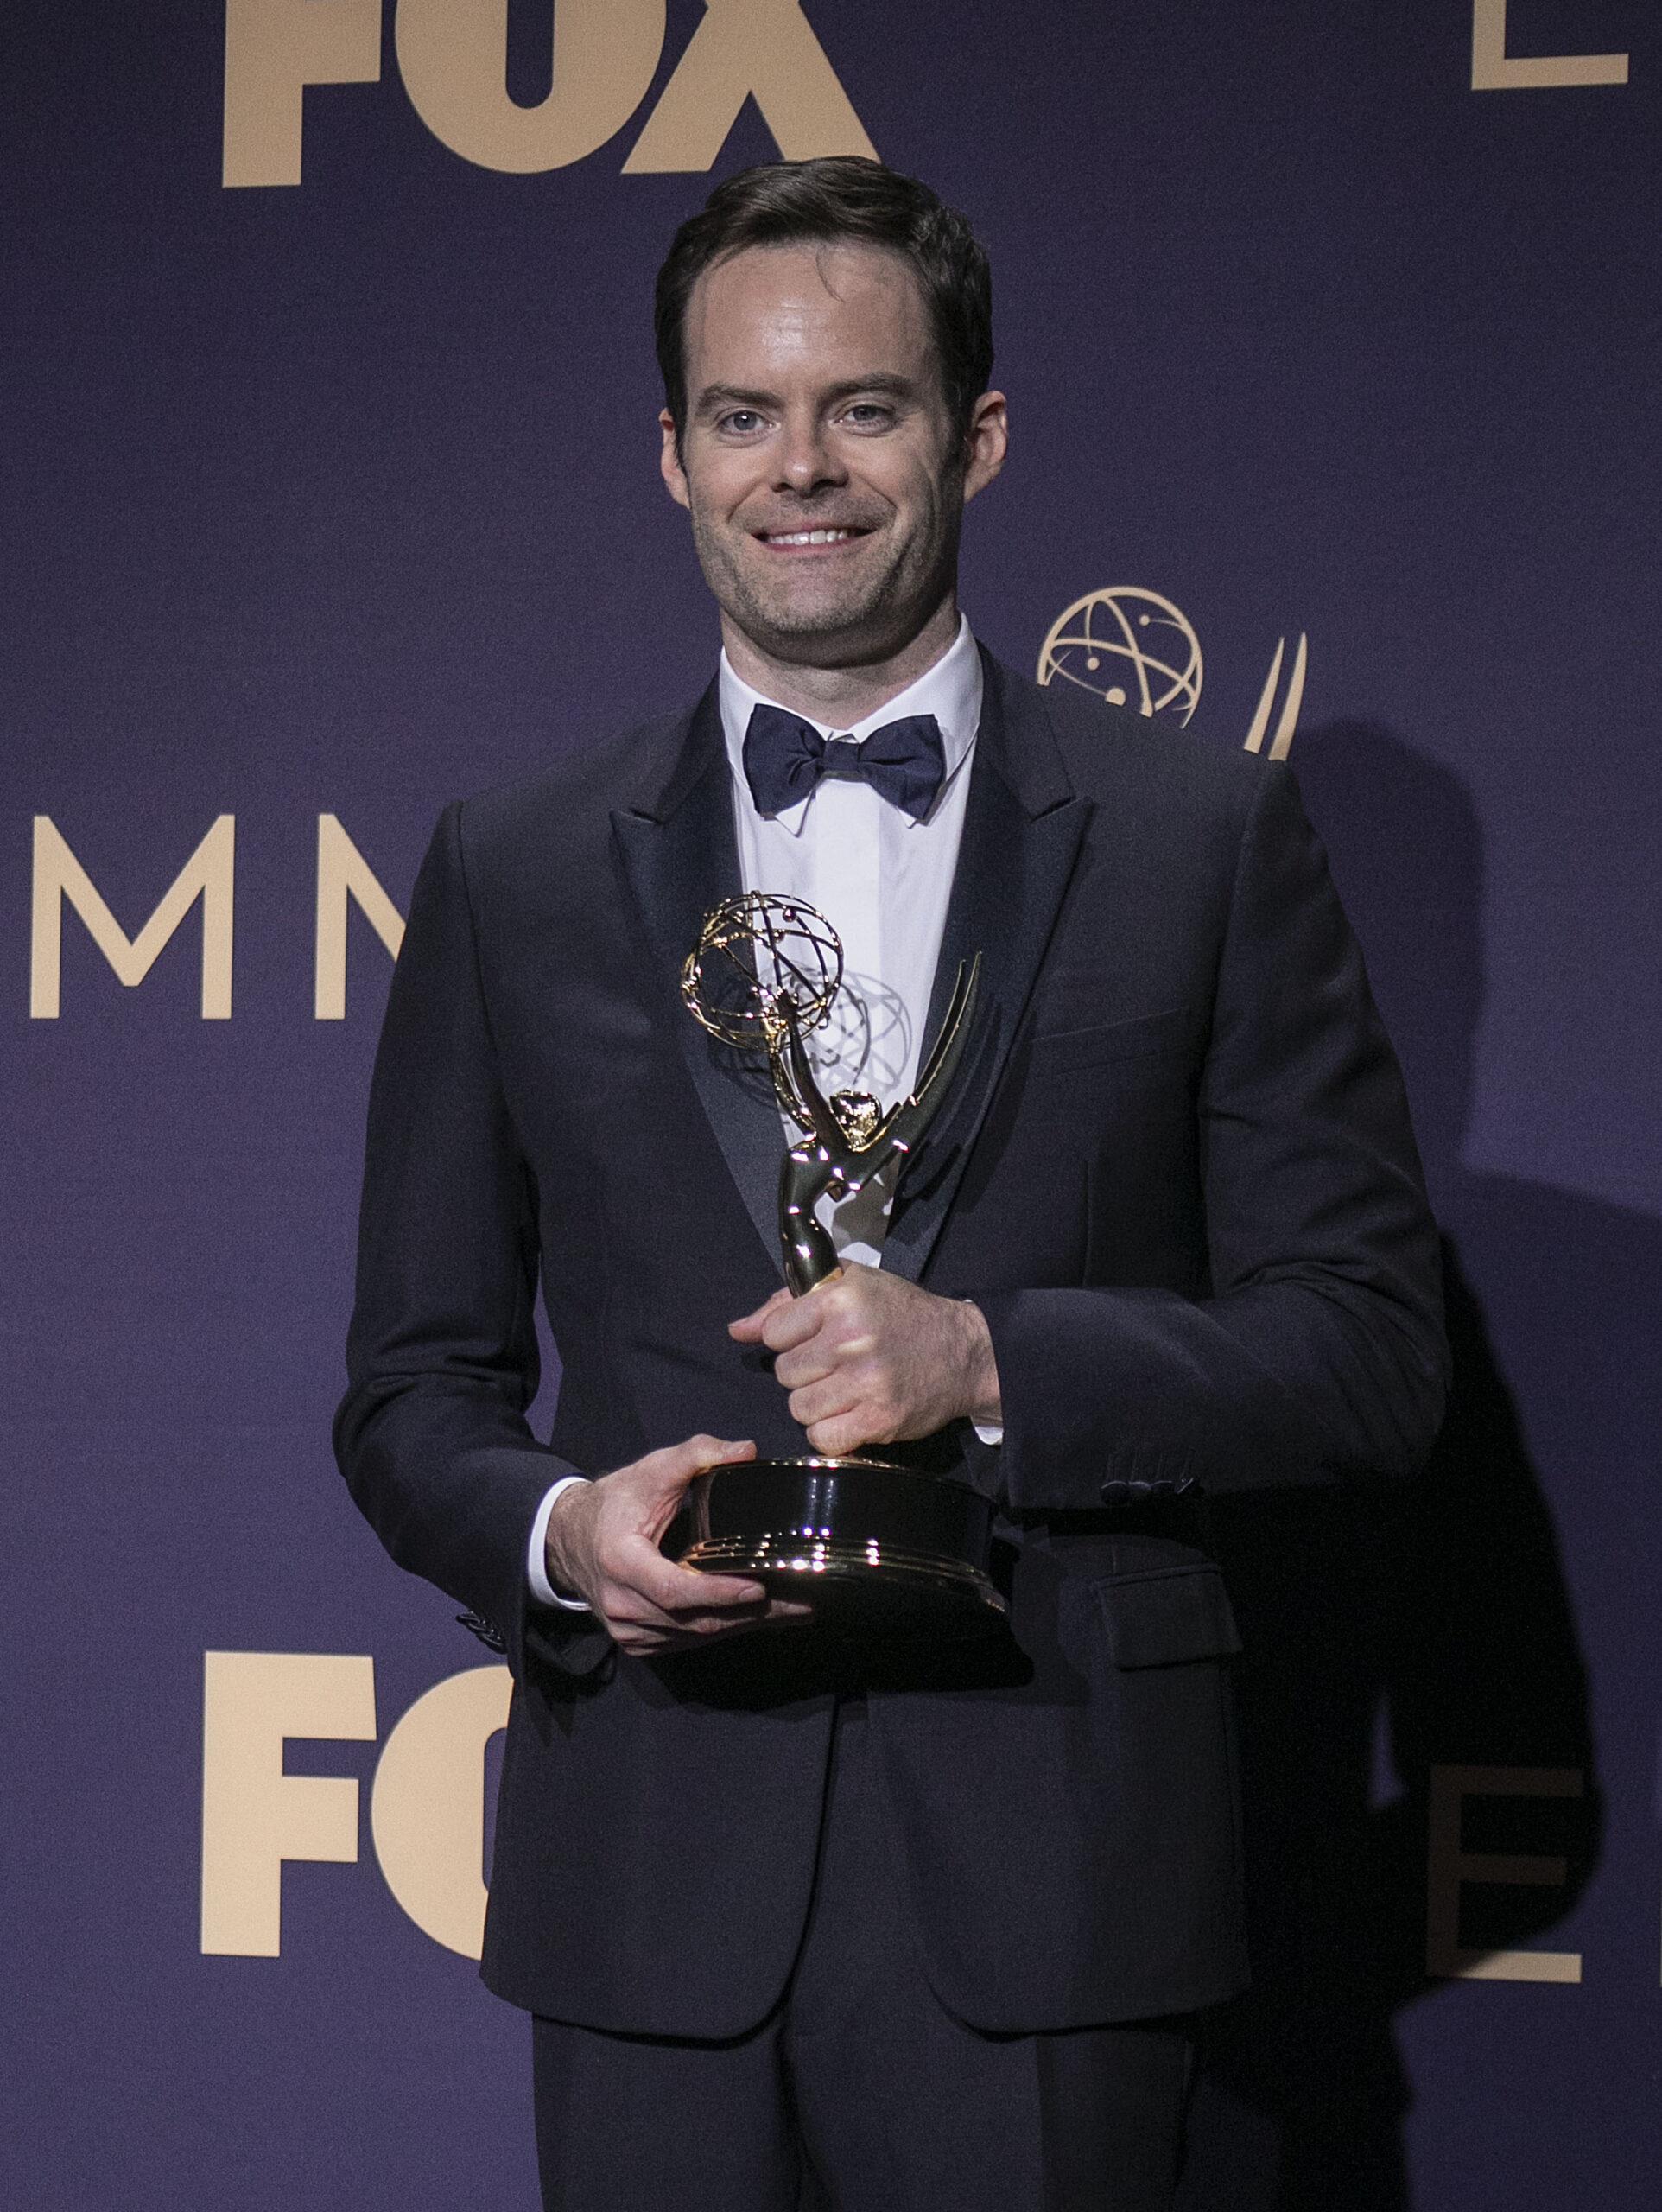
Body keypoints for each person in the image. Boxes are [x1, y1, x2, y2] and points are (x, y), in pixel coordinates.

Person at [335, 157, 1448, 2212]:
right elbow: (411, 1388)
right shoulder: (514, 862)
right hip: (655, 1884)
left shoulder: (1202, 841)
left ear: (976, 435)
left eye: (866, 405)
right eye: (744, 415)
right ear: (669, 454)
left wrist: (991, 1359)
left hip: (1054, 1882)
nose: (802, 470)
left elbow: (1366, 1355)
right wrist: (571, 1533)